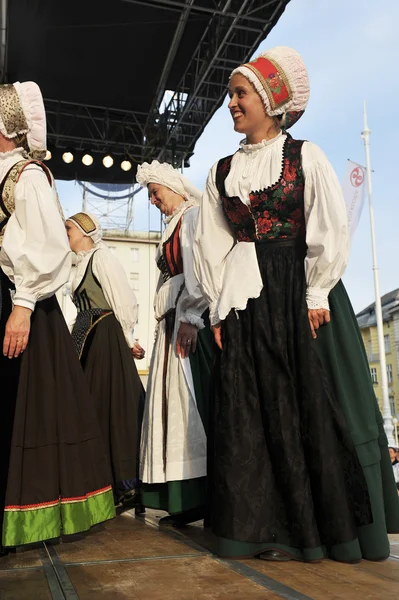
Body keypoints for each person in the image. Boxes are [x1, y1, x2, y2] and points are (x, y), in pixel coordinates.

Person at [193, 46, 399, 562]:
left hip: (299, 291)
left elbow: (326, 229)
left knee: (308, 405)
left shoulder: (305, 156)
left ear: (270, 98)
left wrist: (314, 293)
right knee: (253, 412)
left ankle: (324, 531)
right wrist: (220, 309)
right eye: (231, 95)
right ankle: (265, 530)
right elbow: (211, 247)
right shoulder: (220, 173)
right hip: (246, 300)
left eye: (240, 94)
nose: (232, 104)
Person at [0, 82, 115, 553]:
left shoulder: (27, 175)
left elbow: (48, 248)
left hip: (19, 303)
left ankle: (27, 514)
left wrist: (22, 307)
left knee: (27, 414)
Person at [136, 161, 213, 526]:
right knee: (172, 408)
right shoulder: (174, 224)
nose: (153, 200)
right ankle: (180, 499)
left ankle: (199, 494)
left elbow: (199, 269)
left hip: (187, 322)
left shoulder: (192, 216)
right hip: (173, 323)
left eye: (155, 192)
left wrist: (191, 317)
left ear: (174, 187)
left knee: (190, 404)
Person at [66, 212, 146, 509]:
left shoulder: (101, 258)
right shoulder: (78, 264)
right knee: (92, 406)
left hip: (105, 334)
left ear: (86, 231)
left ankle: (126, 484)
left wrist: (128, 337)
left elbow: (122, 297)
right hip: (86, 336)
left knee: (113, 406)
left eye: (69, 229)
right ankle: (102, 481)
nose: (66, 235)